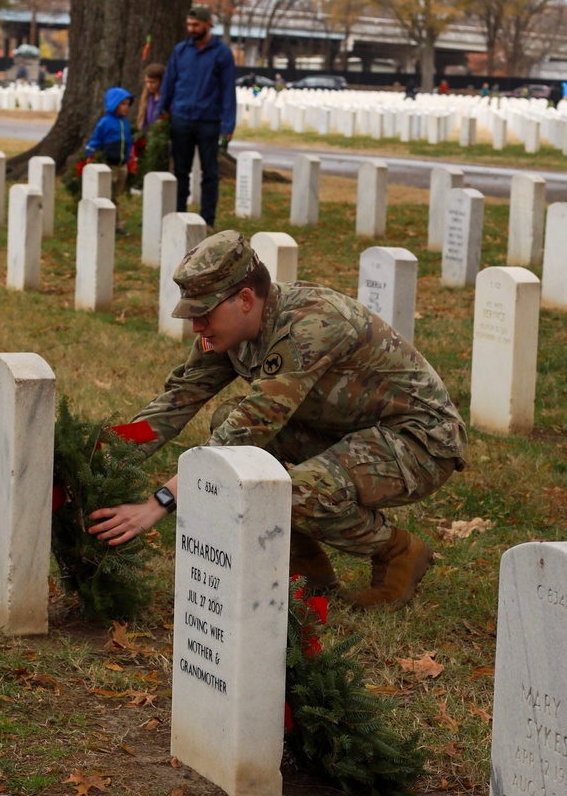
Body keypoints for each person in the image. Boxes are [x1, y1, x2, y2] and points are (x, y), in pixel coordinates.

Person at [88, 231, 467, 609]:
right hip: (348, 432)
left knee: (295, 491)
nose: (196, 328)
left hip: (419, 441)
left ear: (246, 299)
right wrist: (103, 459)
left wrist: (160, 501)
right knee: (229, 424)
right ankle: (306, 563)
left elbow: (248, 427)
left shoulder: (311, 325)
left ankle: (397, 550)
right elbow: (176, 400)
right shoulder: (227, 331)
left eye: (203, 314)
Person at [160, 4, 236, 227]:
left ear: (207, 24)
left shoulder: (222, 53)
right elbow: (169, 84)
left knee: (210, 172)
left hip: (209, 121)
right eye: (189, 25)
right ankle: (180, 216)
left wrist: (228, 124)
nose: (191, 29)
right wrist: (161, 113)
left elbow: (227, 90)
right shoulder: (180, 51)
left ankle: (207, 219)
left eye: (195, 25)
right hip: (181, 118)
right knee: (180, 171)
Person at [85, 86, 134, 226]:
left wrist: (130, 157)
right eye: (122, 104)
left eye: (127, 104)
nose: (126, 108)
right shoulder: (105, 122)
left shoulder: (125, 123)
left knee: (116, 196)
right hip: (109, 165)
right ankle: (103, 222)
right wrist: (91, 153)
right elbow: (96, 139)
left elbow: (129, 141)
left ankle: (116, 223)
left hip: (122, 166)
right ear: (114, 103)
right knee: (107, 195)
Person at [137, 62, 165, 130]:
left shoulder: (167, 99)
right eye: (147, 82)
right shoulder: (148, 97)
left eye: (152, 82)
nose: (149, 85)